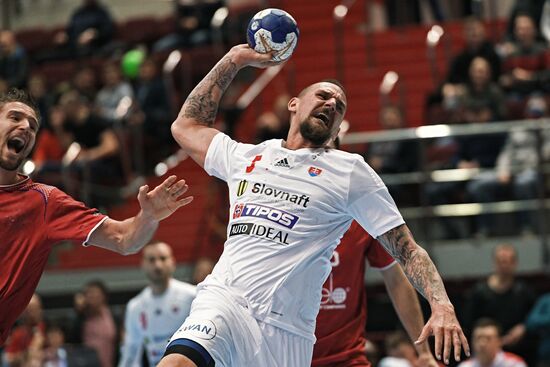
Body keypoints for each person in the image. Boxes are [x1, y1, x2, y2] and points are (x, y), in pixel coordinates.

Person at [159, 44, 469, 367]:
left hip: (287, 332)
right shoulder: (246, 157)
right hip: (225, 301)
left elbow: (408, 250)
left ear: (337, 130)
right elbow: (186, 126)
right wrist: (234, 60)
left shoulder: (350, 172)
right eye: (323, 96)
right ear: (294, 104)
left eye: (340, 106)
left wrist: (441, 303)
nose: (332, 103)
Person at [0, 88, 193, 346]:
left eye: (33, 126)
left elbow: (125, 239)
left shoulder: (44, 202)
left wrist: (148, 216)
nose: (25, 127)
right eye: (14, 118)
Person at [312, 220, 438, 367]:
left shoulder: (361, 216)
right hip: (285, 353)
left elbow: (397, 281)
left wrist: (423, 352)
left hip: (347, 357)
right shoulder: (283, 214)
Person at [119, 241, 197, 367]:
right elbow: (130, 352)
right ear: (143, 265)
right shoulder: (135, 307)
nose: (158, 265)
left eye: (163, 258)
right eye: (152, 260)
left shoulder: (193, 296)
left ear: (172, 262)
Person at [462, 244, 536, 364]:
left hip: (519, 350)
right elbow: (468, 324)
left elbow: (533, 319)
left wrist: (523, 328)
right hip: (486, 352)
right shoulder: (479, 292)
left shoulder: (524, 291)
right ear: (494, 263)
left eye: (508, 261)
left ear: (515, 263)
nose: (504, 265)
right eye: (501, 261)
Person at [71, 281, 116, 367]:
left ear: (103, 296)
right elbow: (73, 341)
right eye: (90, 295)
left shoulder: (112, 316)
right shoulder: (81, 319)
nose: (93, 298)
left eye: (96, 295)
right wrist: (79, 312)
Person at [457, 318, 526, 367]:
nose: (482, 343)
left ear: (499, 341)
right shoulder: (465, 365)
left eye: (488, 338)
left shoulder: (514, 364)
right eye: (478, 338)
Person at [3, 294, 45, 367]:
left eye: (36, 308)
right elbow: (8, 358)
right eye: (30, 309)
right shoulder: (19, 333)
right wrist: (28, 353)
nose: (32, 313)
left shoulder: (46, 328)